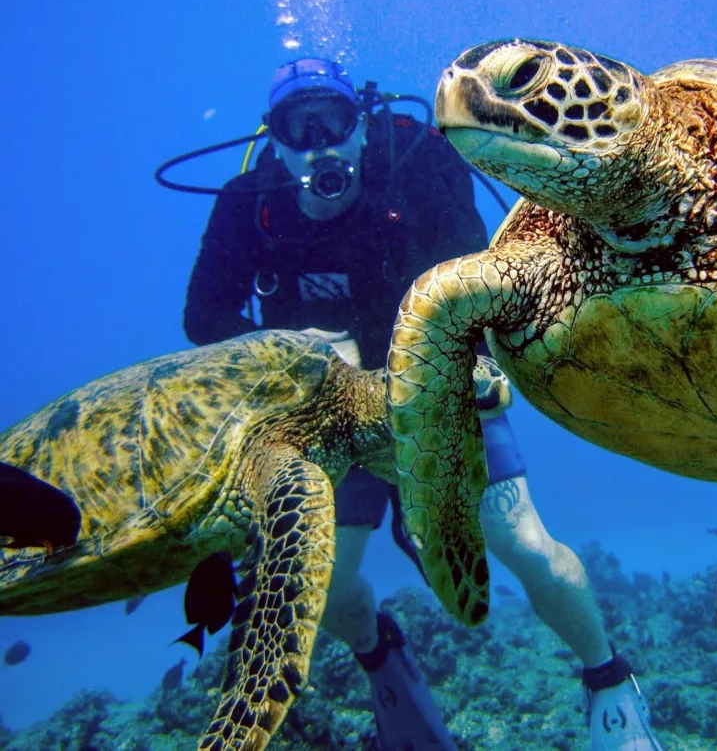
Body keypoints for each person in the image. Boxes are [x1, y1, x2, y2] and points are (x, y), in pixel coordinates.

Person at [182, 57, 663, 751]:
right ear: (276, 141)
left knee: (522, 542)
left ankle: (610, 682)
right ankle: (383, 659)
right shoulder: (245, 203)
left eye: (334, 122)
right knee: (327, 588)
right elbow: (204, 320)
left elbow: (480, 271)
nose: (319, 143)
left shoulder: (416, 161)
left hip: (439, 380)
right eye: (298, 127)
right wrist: (300, 346)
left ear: (361, 125)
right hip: (321, 404)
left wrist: (456, 369)